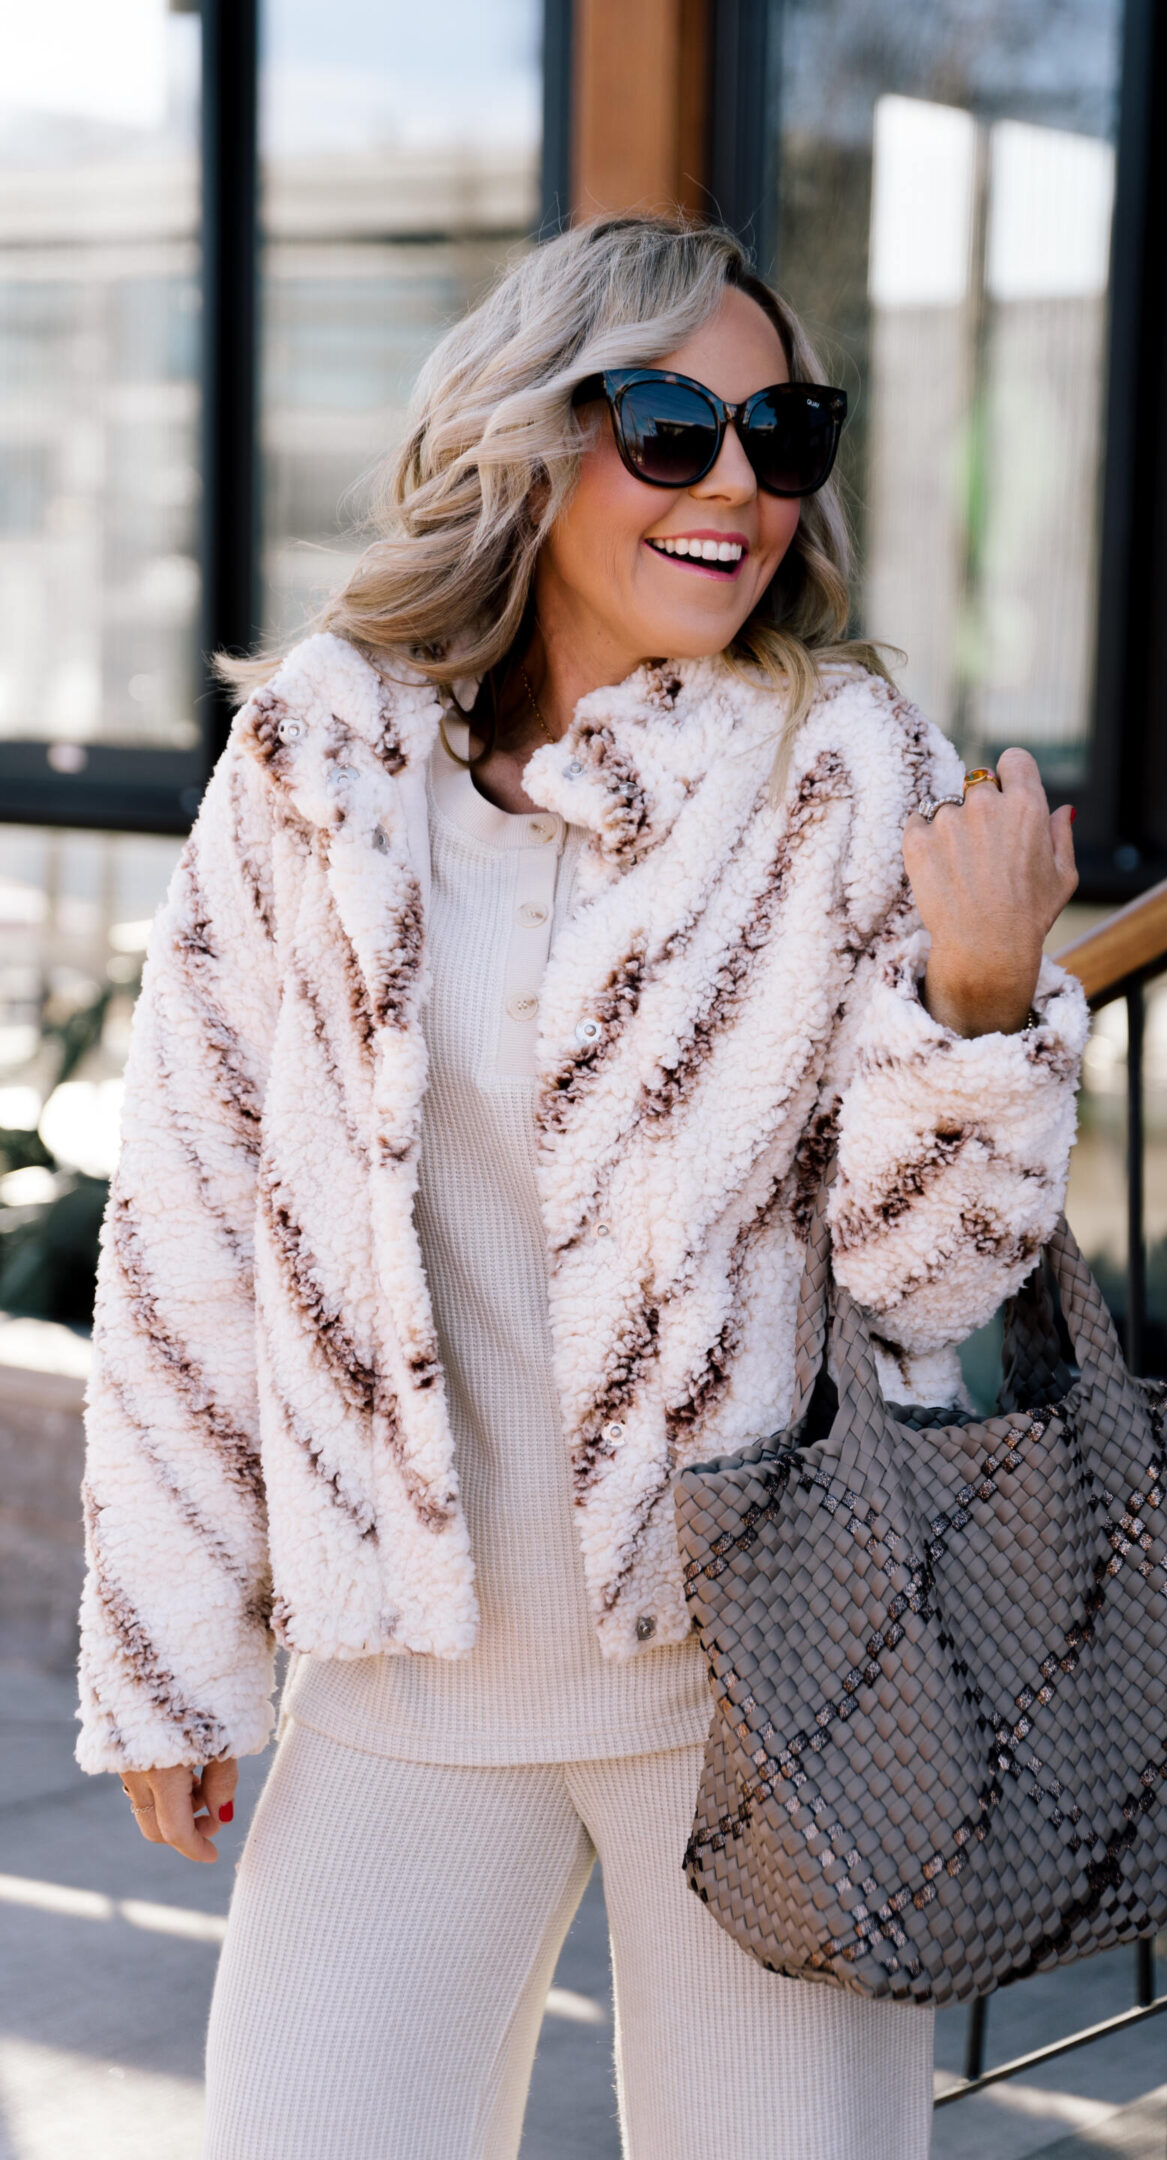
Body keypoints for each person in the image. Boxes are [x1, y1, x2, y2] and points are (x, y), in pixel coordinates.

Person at [75, 215, 1086, 2159]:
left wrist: (977, 1006)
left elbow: (923, 1286)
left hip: (769, 1685)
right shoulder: (321, 757)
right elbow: (187, 1222)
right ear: (534, 439)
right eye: (670, 428)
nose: (737, 488)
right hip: (399, 1684)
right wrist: (173, 1654)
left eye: (782, 436)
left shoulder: (843, 767)